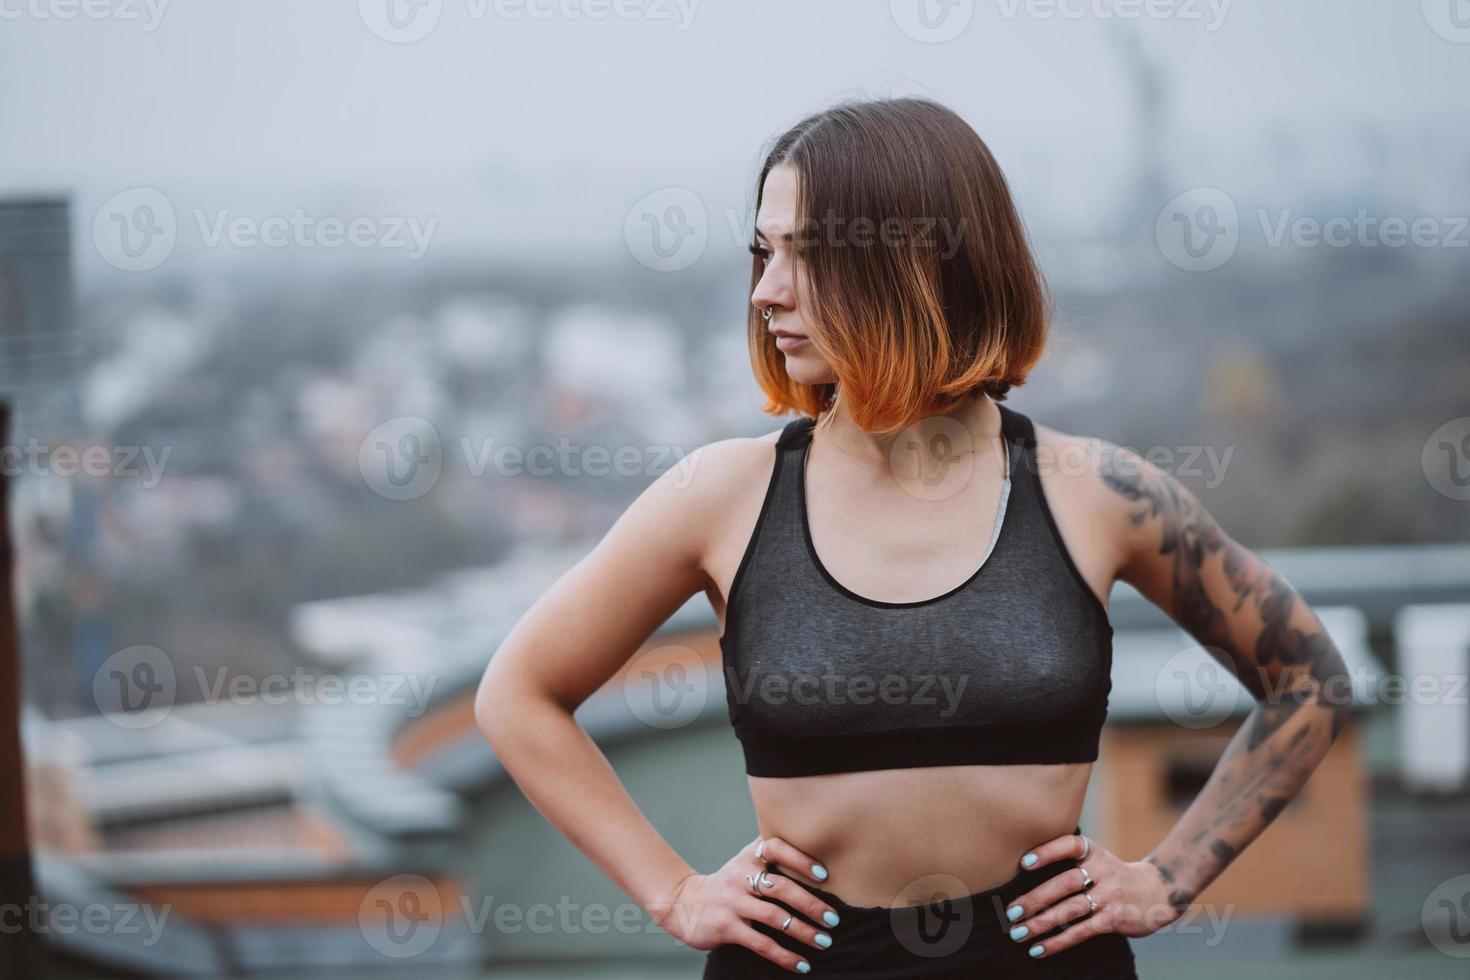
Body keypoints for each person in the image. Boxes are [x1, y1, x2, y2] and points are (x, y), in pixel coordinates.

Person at [474, 96, 1354, 978]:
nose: (766, 291)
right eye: (762, 252)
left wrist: (1168, 879)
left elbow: (1308, 679)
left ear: (919, 265)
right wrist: (674, 893)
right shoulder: (720, 497)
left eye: (804, 255)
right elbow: (518, 695)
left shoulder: (1098, 494)